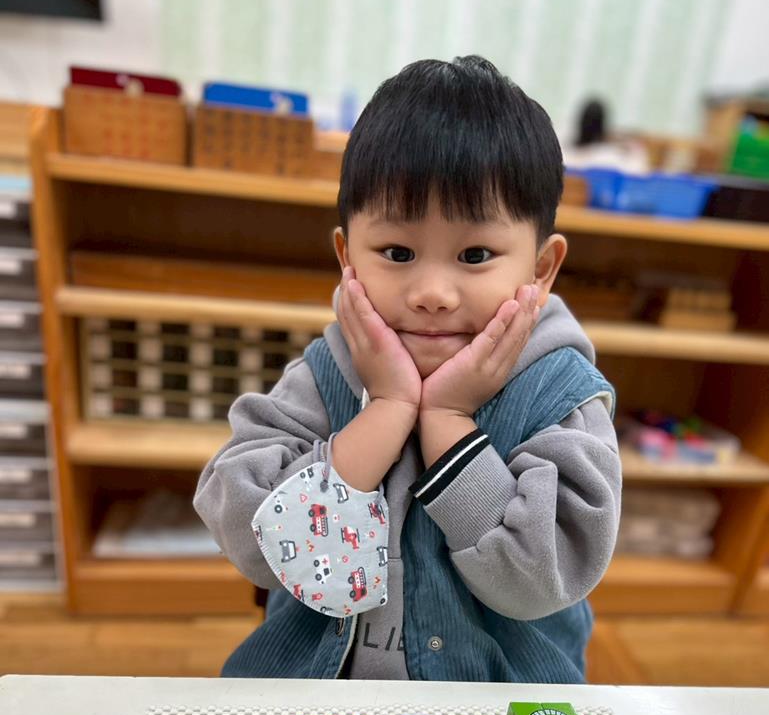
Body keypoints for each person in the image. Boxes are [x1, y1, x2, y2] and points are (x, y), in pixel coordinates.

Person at [194, 56, 622, 682]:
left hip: (494, 706)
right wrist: (388, 410)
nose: (431, 294)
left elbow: (543, 579)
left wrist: (447, 421)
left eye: (475, 255)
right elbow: (249, 536)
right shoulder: (328, 374)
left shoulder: (558, 395)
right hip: (320, 696)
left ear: (540, 269)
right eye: (397, 252)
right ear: (347, 257)